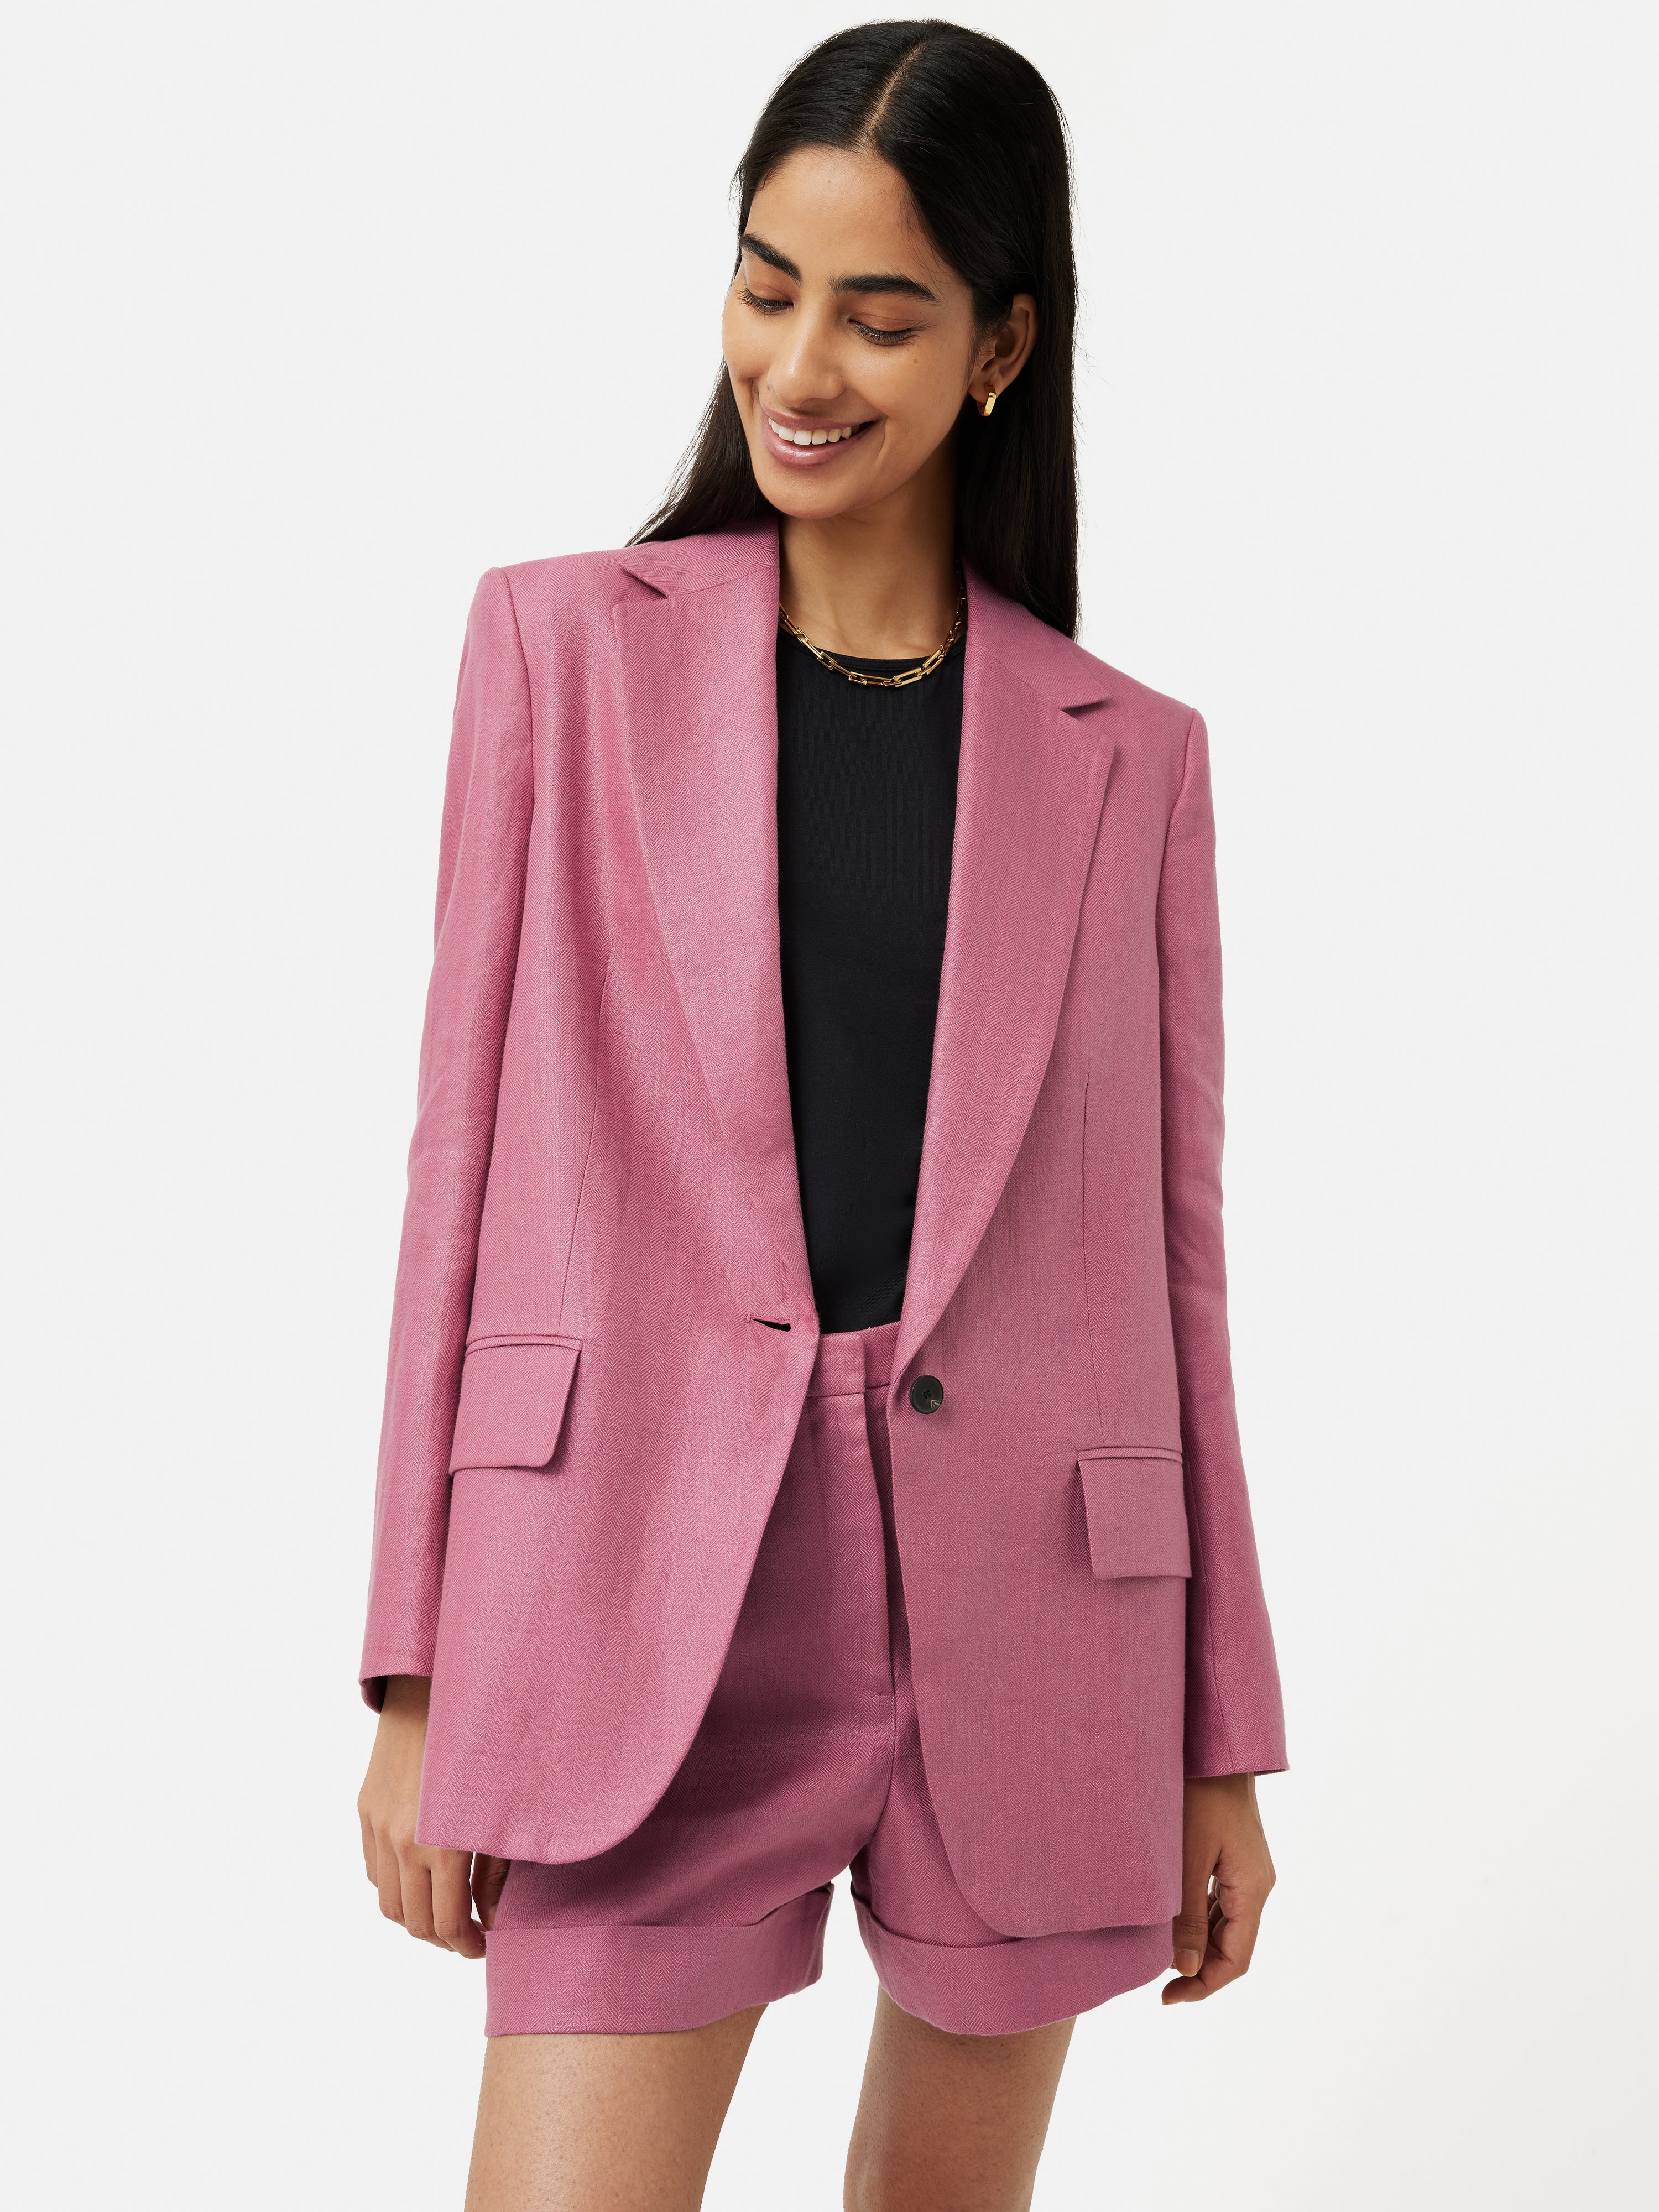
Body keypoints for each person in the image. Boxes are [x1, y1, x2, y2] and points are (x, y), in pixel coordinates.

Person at [356, 20, 1286, 2209]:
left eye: (880, 314)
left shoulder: (1130, 756)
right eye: (768, 287)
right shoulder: (559, 653)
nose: (801, 363)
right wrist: (417, 1664)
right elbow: (456, 1167)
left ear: (1002, 347)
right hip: (633, 1575)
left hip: (1033, 1608)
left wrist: (1219, 1734)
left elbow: (1173, 1267)